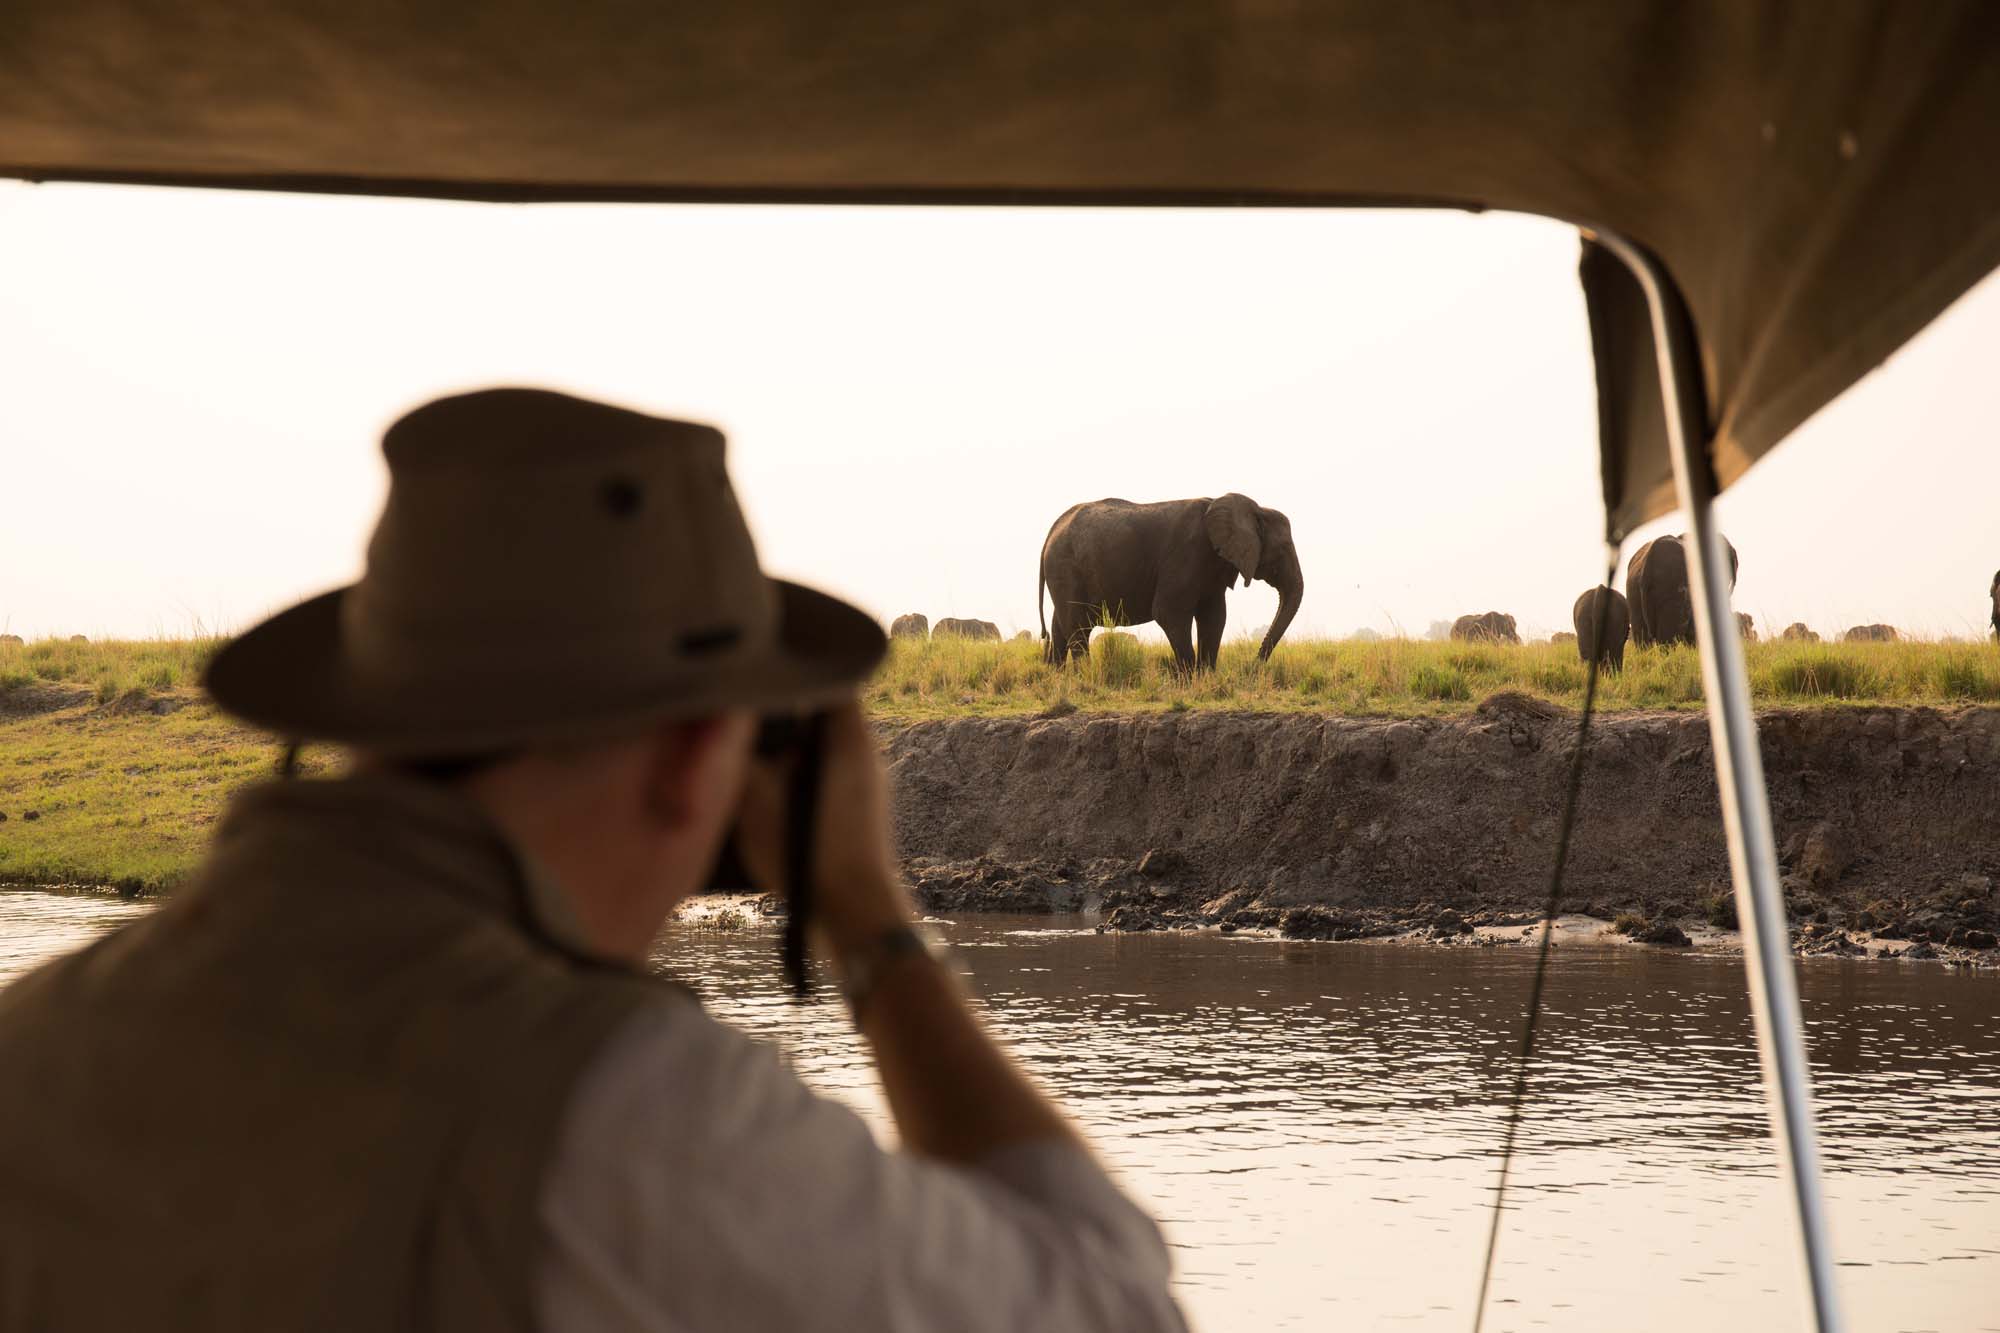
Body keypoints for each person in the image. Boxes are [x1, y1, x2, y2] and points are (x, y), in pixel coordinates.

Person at [0, 388, 1185, 1331]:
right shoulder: (631, 1111)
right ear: (691, 760)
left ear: (361, 716)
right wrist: (869, 923)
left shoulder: (39, 1033)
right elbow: (1110, 1309)